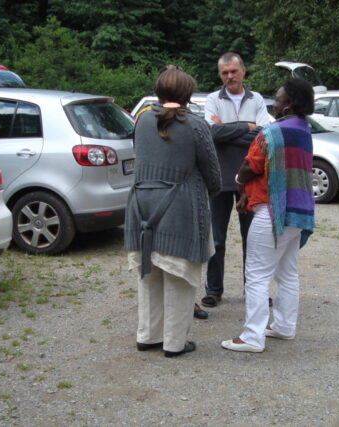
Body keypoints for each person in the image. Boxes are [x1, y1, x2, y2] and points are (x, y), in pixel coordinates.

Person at [124, 69, 221, 357]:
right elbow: (213, 175)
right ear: (189, 95)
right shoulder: (195, 125)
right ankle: (174, 343)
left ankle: (148, 335)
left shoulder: (141, 120)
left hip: (141, 205)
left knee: (148, 272)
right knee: (178, 276)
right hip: (178, 208)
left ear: (158, 92)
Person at [221, 78, 316, 353]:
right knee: (287, 272)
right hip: (299, 213)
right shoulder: (304, 130)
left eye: (279, 98)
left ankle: (252, 337)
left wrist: (238, 180)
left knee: (257, 274)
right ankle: (284, 326)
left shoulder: (272, 133)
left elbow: (251, 166)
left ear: (289, 104)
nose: (275, 103)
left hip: (273, 211)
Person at [201, 52, 272, 308]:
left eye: (233, 71)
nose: (230, 76)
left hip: (249, 178)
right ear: (220, 75)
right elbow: (211, 133)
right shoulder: (212, 99)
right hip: (219, 178)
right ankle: (213, 290)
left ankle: (253, 290)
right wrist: (246, 127)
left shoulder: (257, 99)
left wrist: (227, 130)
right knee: (216, 239)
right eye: (225, 73)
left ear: (243, 71)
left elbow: (263, 136)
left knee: (252, 240)